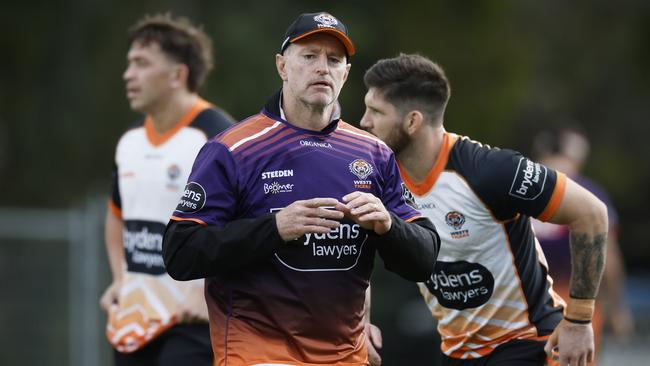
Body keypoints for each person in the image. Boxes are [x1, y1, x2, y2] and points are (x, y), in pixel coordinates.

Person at [162, 12, 440, 366]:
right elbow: (180, 251)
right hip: (257, 352)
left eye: (334, 60)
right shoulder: (232, 150)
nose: (322, 68)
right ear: (282, 66)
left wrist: (388, 227)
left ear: (346, 74)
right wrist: (275, 228)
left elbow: (425, 258)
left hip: (345, 356)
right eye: (309, 56)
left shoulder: (373, 153)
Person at [360, 54, 608, 366]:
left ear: (412, 121)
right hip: (456, 351)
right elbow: (359, 253)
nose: (364, 121)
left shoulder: (489, 171)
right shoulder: (379, 178)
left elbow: (592, 213)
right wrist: (361, 323)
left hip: (528, 343)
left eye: (375, 111)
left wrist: (579, 320)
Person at [99, 13, 234, 365]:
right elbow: (117, 217)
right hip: (135, 322)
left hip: (193, 323)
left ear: (178, 74)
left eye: (141, 64)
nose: (128, 74)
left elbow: (248, 225)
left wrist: (210, 290)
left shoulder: (220, 137)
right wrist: (118, 280)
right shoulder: (129, 140)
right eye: (129, 64)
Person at [531, 128, 633, 364]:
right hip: (574, 307)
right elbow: (608, 259)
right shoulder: (588, 194)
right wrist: (617, 307)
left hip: (518, 306)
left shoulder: (515, 189)